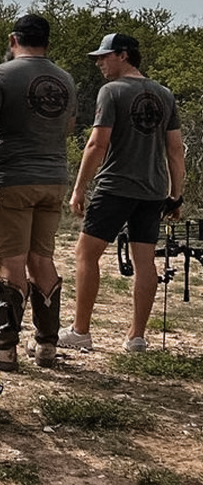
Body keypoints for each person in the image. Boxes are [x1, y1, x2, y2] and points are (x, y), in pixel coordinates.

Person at [59, 33, 185, 353]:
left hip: (115, 186)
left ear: (124, 55)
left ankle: (81, 331)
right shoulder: (165, 95)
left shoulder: (111, 92)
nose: (100, 62)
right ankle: (136, 337)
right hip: (153, 191)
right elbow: (175, 151)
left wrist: (79, 189)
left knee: (86, 254)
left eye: (105, 56)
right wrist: (176, 195)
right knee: (145, 262)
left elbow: (97, 144)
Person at [0, 14, 76, 370]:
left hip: (11, 178)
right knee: (42, 260)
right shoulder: (65, 80)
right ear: (47, 42)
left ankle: (4, 347)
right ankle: (47, 344)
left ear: (14, 40)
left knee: (11, 264)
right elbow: (68, 126)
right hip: (54, 179)